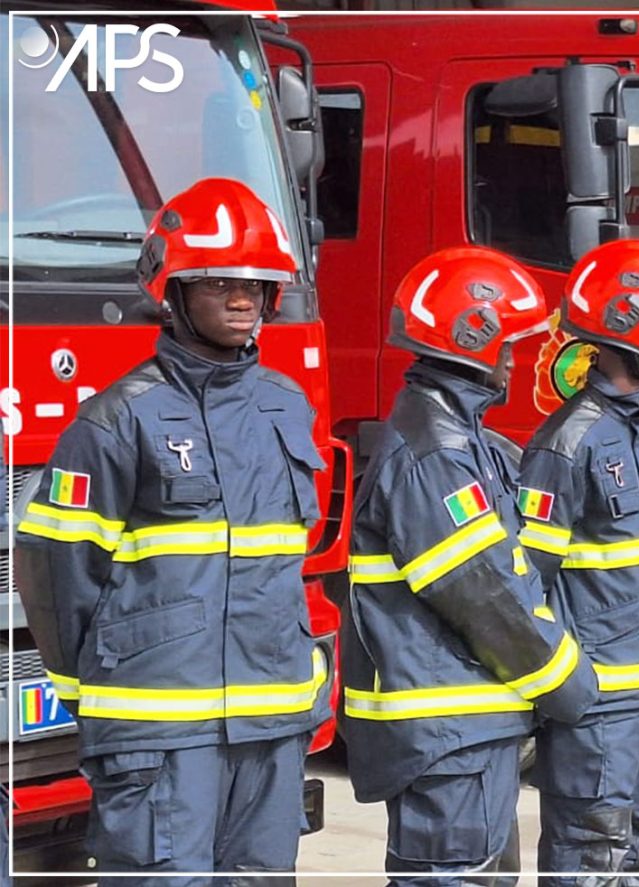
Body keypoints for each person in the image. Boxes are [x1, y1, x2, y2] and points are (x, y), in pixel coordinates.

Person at [15, 178, 332, 879]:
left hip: (272, 726)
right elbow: (53, 569)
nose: (244, 298)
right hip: (159, 734)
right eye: (220, 282)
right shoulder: (117, 419)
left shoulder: (286, 405)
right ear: (175, 289)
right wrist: (92, 687)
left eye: (257, 283)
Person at [342, 245, 598, 883]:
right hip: (447, 727)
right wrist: (568, 683)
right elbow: (484, 593)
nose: (515, 359)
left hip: (459, 724)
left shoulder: (459, 437)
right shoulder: (435, 454)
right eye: (508, 345)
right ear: (472, 340)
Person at [517, 240, 639, 883]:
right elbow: (526, 587)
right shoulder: (568, 442)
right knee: (588, 854)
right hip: (601, 704)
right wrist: (564, 684)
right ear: (624, 324)